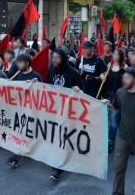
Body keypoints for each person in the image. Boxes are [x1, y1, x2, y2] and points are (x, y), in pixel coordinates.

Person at [46, 48, 83, 181]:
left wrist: (79, 89)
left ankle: (58, 168)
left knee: (63, 137)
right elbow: (45, 89)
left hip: (68, 112)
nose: (54, 60)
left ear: (63, 58)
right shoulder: (50, 72)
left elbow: (82, 88)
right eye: (53, 57)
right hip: (53, 111)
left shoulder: (73, 73)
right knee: (55, 137)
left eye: (57, 57)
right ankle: (56, 160)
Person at [7, 54, 43, 168]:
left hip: (31, 110)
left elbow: (42, 93)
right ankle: (18, 154)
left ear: (27, 63)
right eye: (18, 62)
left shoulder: (36, 76)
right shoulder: (17, 75)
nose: (18, 65)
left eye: (21, 62)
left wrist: (36, 84)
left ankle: (17, 156)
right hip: (19, 109)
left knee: (26, 132)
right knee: (21, 132)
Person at [102, 48, 127, 153]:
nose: (115, 56)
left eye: (117, 55)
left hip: (118, 97)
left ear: (121, 56)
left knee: (113, 120)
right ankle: (103, 139)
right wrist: (102, 76)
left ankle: (109, 141)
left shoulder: (124, 68)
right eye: (114, 54)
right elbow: (103, 76)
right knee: (105, 119)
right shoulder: (109, 66)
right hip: (107, 95)